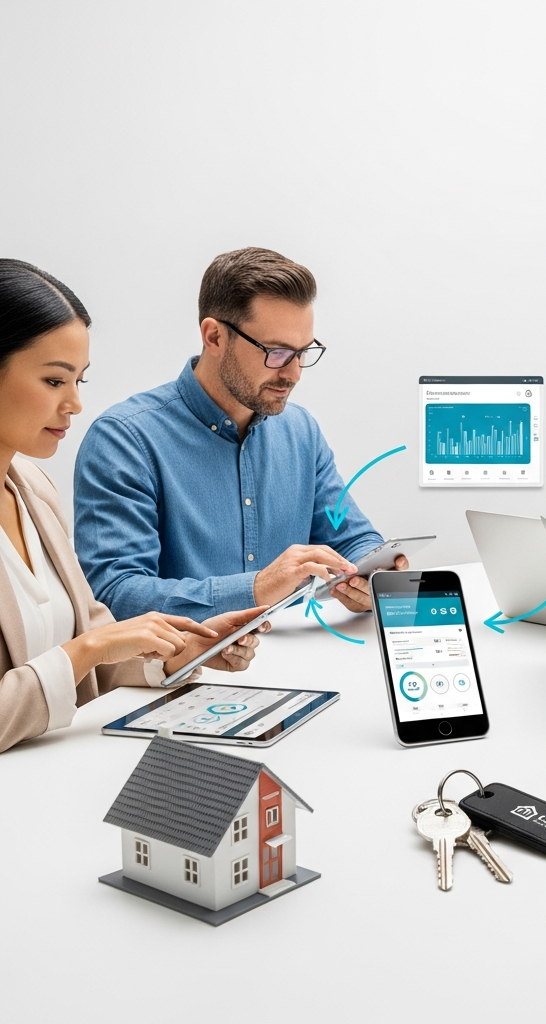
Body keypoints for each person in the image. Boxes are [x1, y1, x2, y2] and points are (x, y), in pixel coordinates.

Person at [0, 260, 268, 753]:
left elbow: (93, 649)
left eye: (80, 381)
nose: (76, 405)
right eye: (55, 381)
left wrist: (180, 652)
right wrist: (84, 651)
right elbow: (85, 649)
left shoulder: (33, 489)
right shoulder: (128, 437)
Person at [73, 248, 406, 622]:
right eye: (277, 352)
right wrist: (256, 588)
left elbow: (348, 534)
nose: (294, 373)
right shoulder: (125, 441)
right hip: (188, 674)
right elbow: (116, 594)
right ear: (214, 337)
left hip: (305, 664)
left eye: (303, 352)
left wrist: (374, 572)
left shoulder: (301, 433)